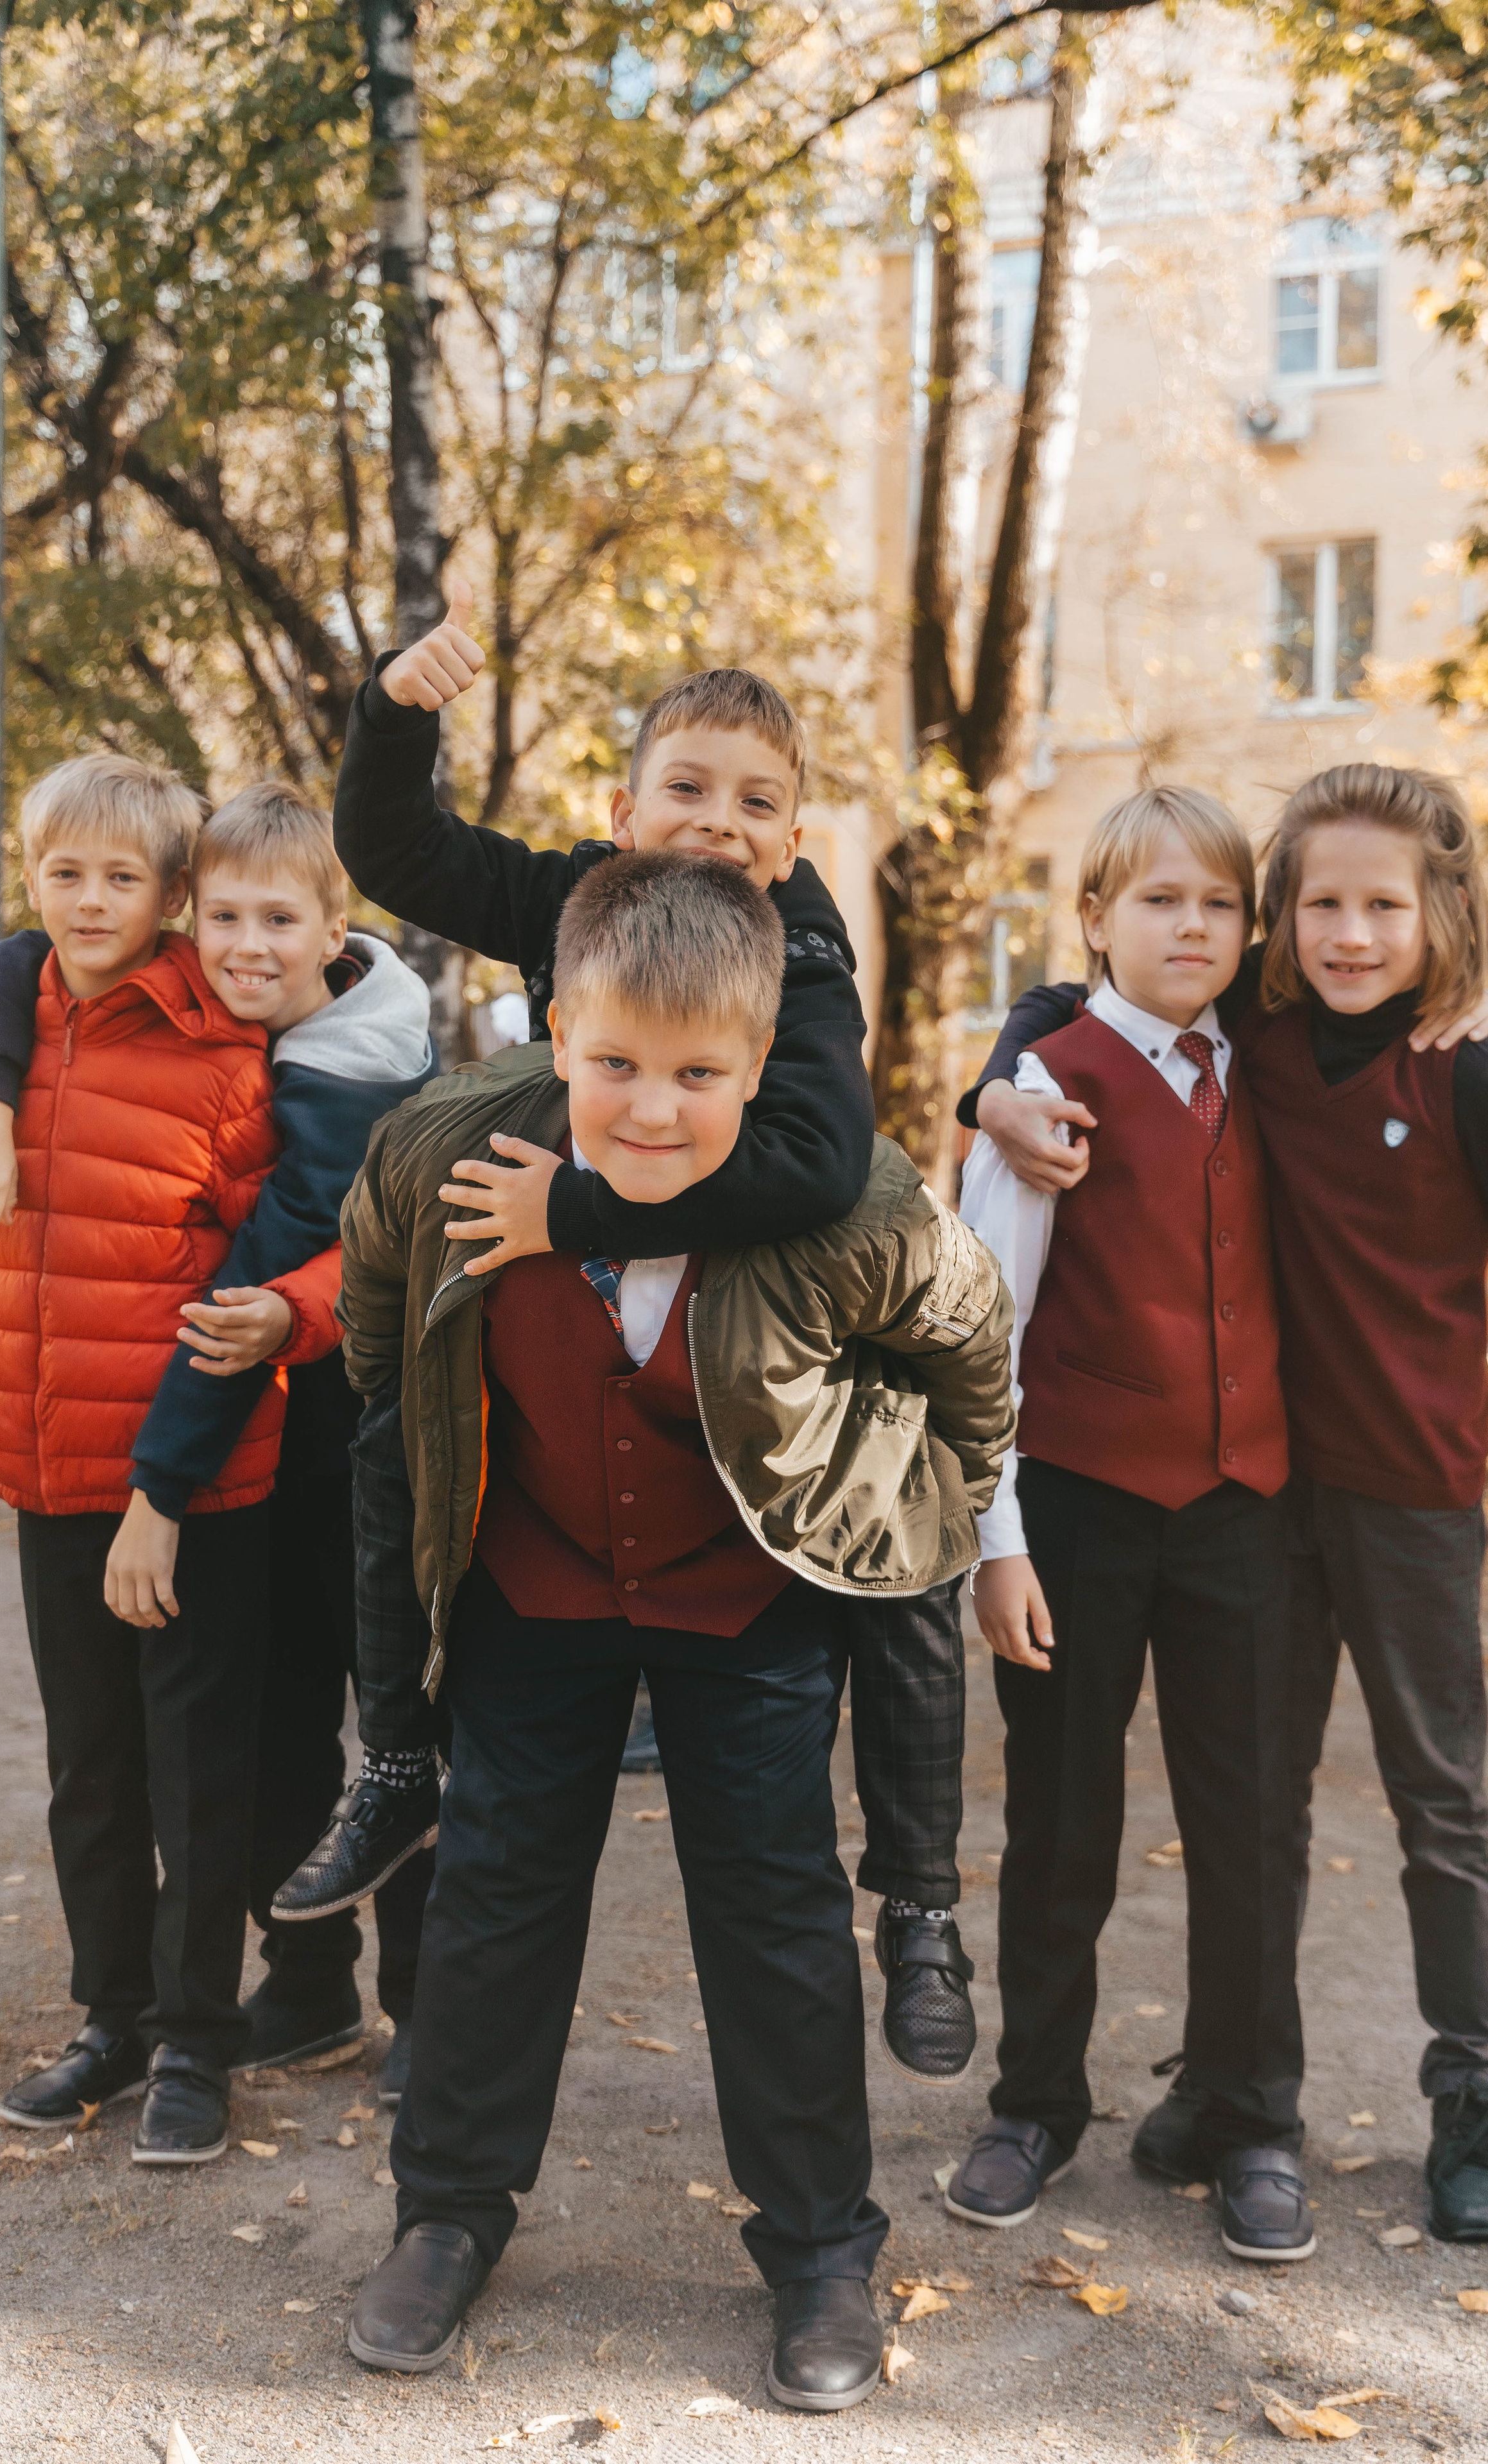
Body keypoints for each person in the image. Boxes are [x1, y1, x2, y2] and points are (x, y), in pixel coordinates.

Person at [333, 850, 1014, 2404]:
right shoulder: (447, 1155)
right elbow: (380, 1309)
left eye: (698, 1074)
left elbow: (971, 1348)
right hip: (534, 1585)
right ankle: (444, 2215)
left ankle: (822, 2250)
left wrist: (924, 1505)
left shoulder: (843, 1202)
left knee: (772, 1920)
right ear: (554, 1027)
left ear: (761, 1063)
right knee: (493, 1901)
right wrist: (428, 1442)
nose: (650, 1108)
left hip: (744, 1595)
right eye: (615, 1064)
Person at [278, 600, 980, 2087]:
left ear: (790, 844)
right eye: (685, 788)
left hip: (767, 1348)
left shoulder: (802, 950)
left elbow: (809, 1164)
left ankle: (916, 1893)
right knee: (398, 1445)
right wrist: (394, 711)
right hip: (558, 1362)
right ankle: (398, 1760)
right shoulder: (576, 898)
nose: (714, 823)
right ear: (620, 811)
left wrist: (575, 1212)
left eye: (754, 802)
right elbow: (400, 856)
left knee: (903, 1526)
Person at [970, 762, 1488, 2246]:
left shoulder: (1471, 1065)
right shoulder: (1253, 1043)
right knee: (1249, 1810)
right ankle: (1211, 2087)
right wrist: (999, 1068)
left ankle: (1469, 2101)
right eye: (1319, 904)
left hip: (1400, 1492)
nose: (1346, 934)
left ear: (1436, 916)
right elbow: (1076, 1005)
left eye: (1380, 906)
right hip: (1241, 1497)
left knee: (1436, 1803)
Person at [0, 786, 441, 2104]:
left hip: (347, 1432)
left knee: (388, 1724)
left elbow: (312, 1257)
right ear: (189, 920)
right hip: (197, 1432)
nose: (246, 941)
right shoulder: (55, 1006)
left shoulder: (316, 1065)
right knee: (256, 1731)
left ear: (336, 931)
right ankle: (300, 1990)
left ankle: (425, 2017)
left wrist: (266, 1348)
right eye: (228, 916)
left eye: (278, 917)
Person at [0, 755, 286, 2164]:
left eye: (120, 877)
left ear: (173, 895)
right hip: (44, 1469)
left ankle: (200, 2037)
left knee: (196, 1768)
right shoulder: (6, 1041)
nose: (87, 899)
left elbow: (272, 1250)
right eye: (63, 872)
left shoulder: (223, 1056)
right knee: (91, 1767)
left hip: (188, 1484)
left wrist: (177, 1479)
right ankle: (110, 2018)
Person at [954, 787, 1312, 2265]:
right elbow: (981, 1331)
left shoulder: (1276, 1068)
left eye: (1218, 905)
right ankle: (1033, 2100)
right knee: (1060, 1825)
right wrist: (995, 1543)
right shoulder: (1045, 1081)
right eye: (1157, 901)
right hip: (1080, 1514)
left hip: (1246, 1515)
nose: (1190, 927)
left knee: (1249, 1828)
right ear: (1093, 918)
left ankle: (1248, 2112)